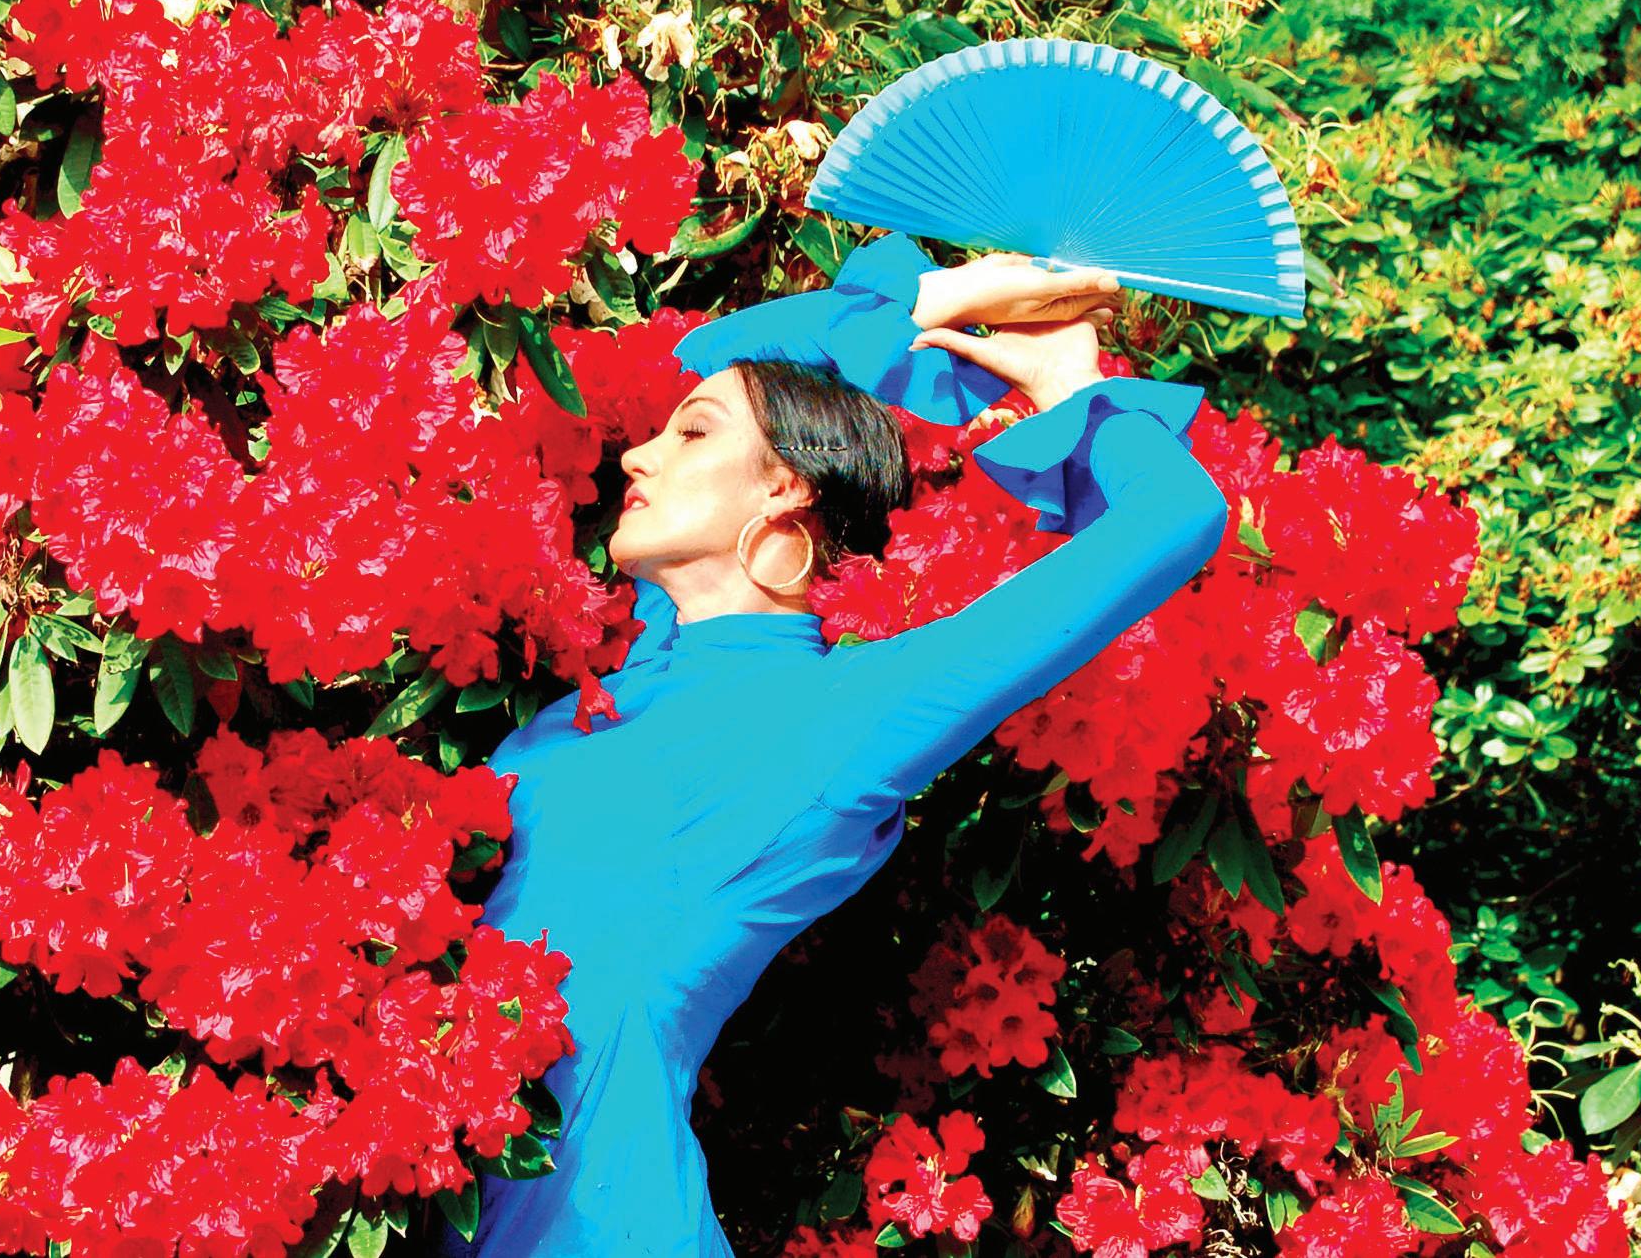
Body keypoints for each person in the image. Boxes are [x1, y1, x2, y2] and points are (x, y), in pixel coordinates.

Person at [439, 231, 1232, 1255]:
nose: (637, 454)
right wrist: (936, 299)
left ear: (787, 489)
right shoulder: (621, 681)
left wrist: (1067, 382)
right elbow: (704, 354)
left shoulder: (844, 717)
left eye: (691, 435)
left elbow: (1179, 513)